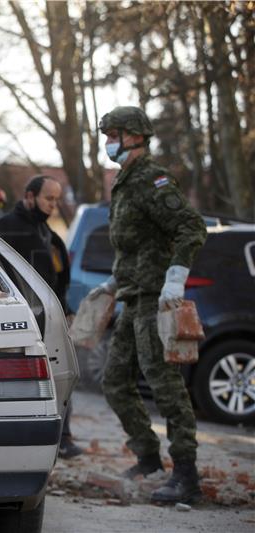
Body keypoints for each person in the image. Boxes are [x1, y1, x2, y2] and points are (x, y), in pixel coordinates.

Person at [91, 106, 207, 503]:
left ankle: (187, 476)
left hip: (155, 299)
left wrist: (175, 277)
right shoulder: (124, 181)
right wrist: (111, 282)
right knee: (114, 381)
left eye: (114, 134)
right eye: (106, 134)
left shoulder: (152, 179)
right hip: (131, 294)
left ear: (135, 136)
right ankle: (149, 459)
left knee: (166, 386)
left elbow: (191, 226)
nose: (108, 141)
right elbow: (134, 245)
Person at [0, 175, 83, 459]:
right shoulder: (6, 228)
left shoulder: (49, 234)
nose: (53, 205)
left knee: (59, 376)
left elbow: (58, 280)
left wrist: (66, 310)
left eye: (57, 200)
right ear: (29, 197)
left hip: (49, 320)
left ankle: (62, 437)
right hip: (17, 321)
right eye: (48, 198)